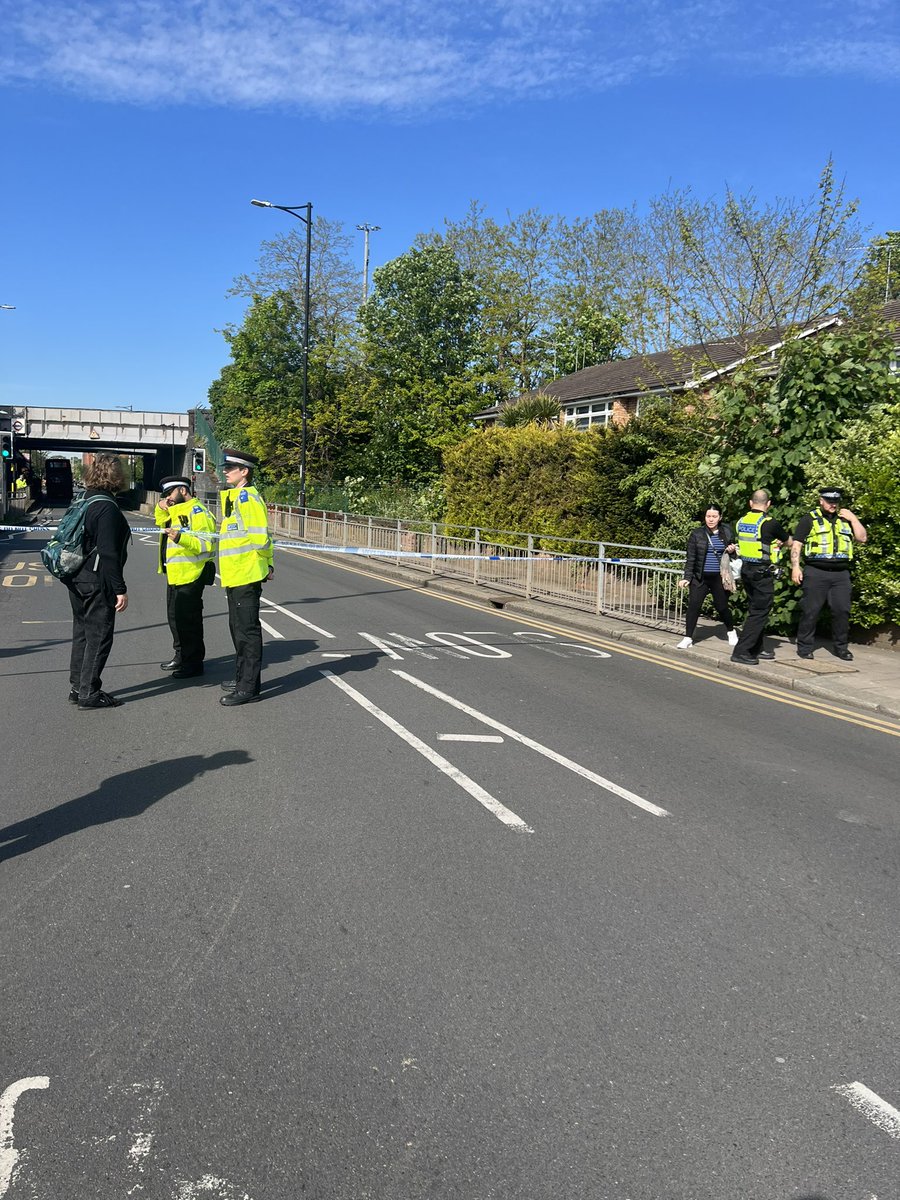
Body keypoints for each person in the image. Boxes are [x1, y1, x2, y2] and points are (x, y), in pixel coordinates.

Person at [66, 455, 130, 709]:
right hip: (96, 579)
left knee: (82, 632)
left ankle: (76, 686)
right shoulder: (107, 507)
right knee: (100, 635)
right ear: (116, 477)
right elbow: (108, 552)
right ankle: (89, 692)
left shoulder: (83, 499)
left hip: (75, 575)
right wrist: (120, 589)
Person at [216, 449, 273, 706]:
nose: (225, 472)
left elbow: (261, 537)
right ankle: (243, 679)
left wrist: (266, 564)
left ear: (244, 472)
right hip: (235, 574)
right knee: (237, 631)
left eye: (230, 468)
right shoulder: (235, 497)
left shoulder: (247, 498)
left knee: (247, 633)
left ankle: (248, 688)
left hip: (246, 573)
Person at [791, 487, 867, 662]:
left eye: (836, 501)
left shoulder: (845, 520)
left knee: (842, 611)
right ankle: (805, 647)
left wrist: (854, 519)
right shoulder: (809, 519)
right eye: (829, 501)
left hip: (840, 574)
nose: (833, 504)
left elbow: (862, 538)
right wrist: (795, 567)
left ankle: (841, 648)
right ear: (821, 501)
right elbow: (797, 545)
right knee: (811, 611)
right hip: (816, 572)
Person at [155, 475, 217, 678]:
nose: (167, 499)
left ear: (182, 490)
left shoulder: (198, 511)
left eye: (169, 494)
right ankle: (181, 656)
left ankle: (193, 663)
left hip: (192, 574)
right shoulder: (174, 509)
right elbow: (159, 521)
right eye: (165, 496)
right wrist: (161, 505)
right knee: (175, 620)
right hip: (174, 574)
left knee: (189, 622)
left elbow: (206, 544)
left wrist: (181, 538)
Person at [730, 488, 791, 665]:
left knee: (754, 609)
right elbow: (788, 541)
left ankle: (756, 648)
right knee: (759, 612)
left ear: (750, 503)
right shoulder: (770, 523)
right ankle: (741, 651)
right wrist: (783, 541)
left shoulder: (740, 522)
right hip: (762, 573)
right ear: (768, 504)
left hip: (746, 570)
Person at [676, 504, 739, 649]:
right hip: (700, 577)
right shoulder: (697, 534)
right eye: (708, 516)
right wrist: (687, 577)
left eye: (714, 516)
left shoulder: (727, 532)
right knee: (693, 606)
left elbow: (734, 555)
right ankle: (688, 638)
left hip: (720, 577)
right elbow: (691, 558)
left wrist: (731, 550)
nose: (711, 519)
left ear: (720, 517)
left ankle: (731, 631)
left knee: (722, 606)